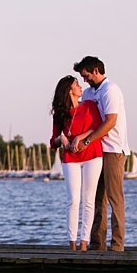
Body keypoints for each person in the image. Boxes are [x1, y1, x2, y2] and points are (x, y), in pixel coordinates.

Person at [72, 56, 128, 251]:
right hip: (96, 151)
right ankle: (97, 244)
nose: (84, 80)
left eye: (86, 75)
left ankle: (117, 245)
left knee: (114, 198)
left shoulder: (110, 90)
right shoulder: (88, 93)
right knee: (97, 198)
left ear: (96, 70)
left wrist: (87, 140)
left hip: (113, 149)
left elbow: (110, 121)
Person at [49, 76, 103, 251]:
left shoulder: (89, 106)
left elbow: (97, 126)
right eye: (76, 85)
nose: (81, 87)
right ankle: (71, 243)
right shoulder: (60, 114)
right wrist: (61, 138)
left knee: (88, 200)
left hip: (92, 155)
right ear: (69, 90)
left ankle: (84, 243)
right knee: (73, 199)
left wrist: (80, 137)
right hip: (70, 158)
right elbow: (52, 142)